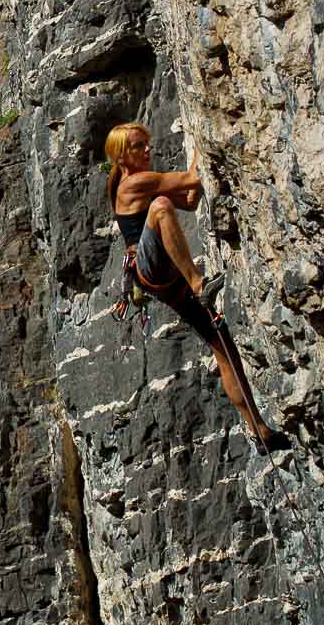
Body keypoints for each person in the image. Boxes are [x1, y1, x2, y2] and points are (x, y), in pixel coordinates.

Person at [105, 122, 285, 453]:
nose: (148, 149)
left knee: (223, 348)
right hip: (153, 272)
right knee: (160, 207)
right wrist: (201, 130)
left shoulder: (145, 181)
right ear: (122, 156)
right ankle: (199, 282)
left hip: (163, 280)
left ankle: (259, 430)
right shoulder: (134, 184)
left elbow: (189, 198)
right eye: (138, 146)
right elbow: (192, 180)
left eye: (147, 143)